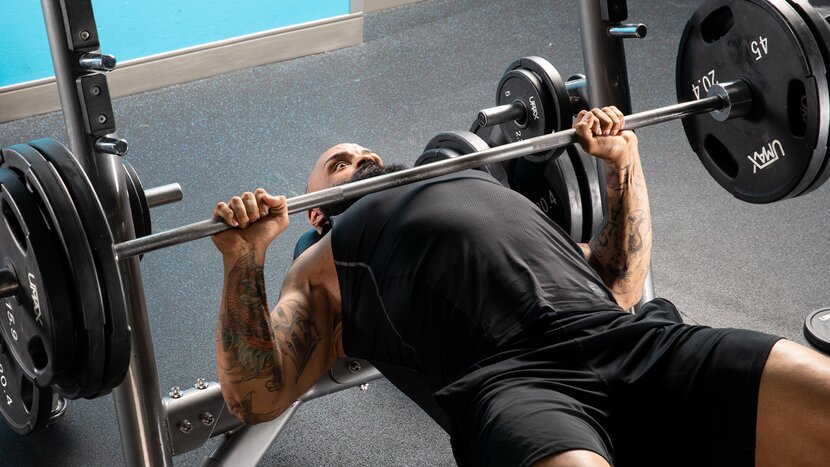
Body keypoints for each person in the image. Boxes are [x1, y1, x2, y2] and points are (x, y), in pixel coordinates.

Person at [211, 107, 830, 467]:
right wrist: (244, 260)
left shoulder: (479, 185)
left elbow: (616, 279)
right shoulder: (323, 257)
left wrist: (622, 163)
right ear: (316, 210)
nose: (361, 156)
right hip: (515, 384)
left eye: (364, 150)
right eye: (339, 163)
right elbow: (257, 397)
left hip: (628, 336)